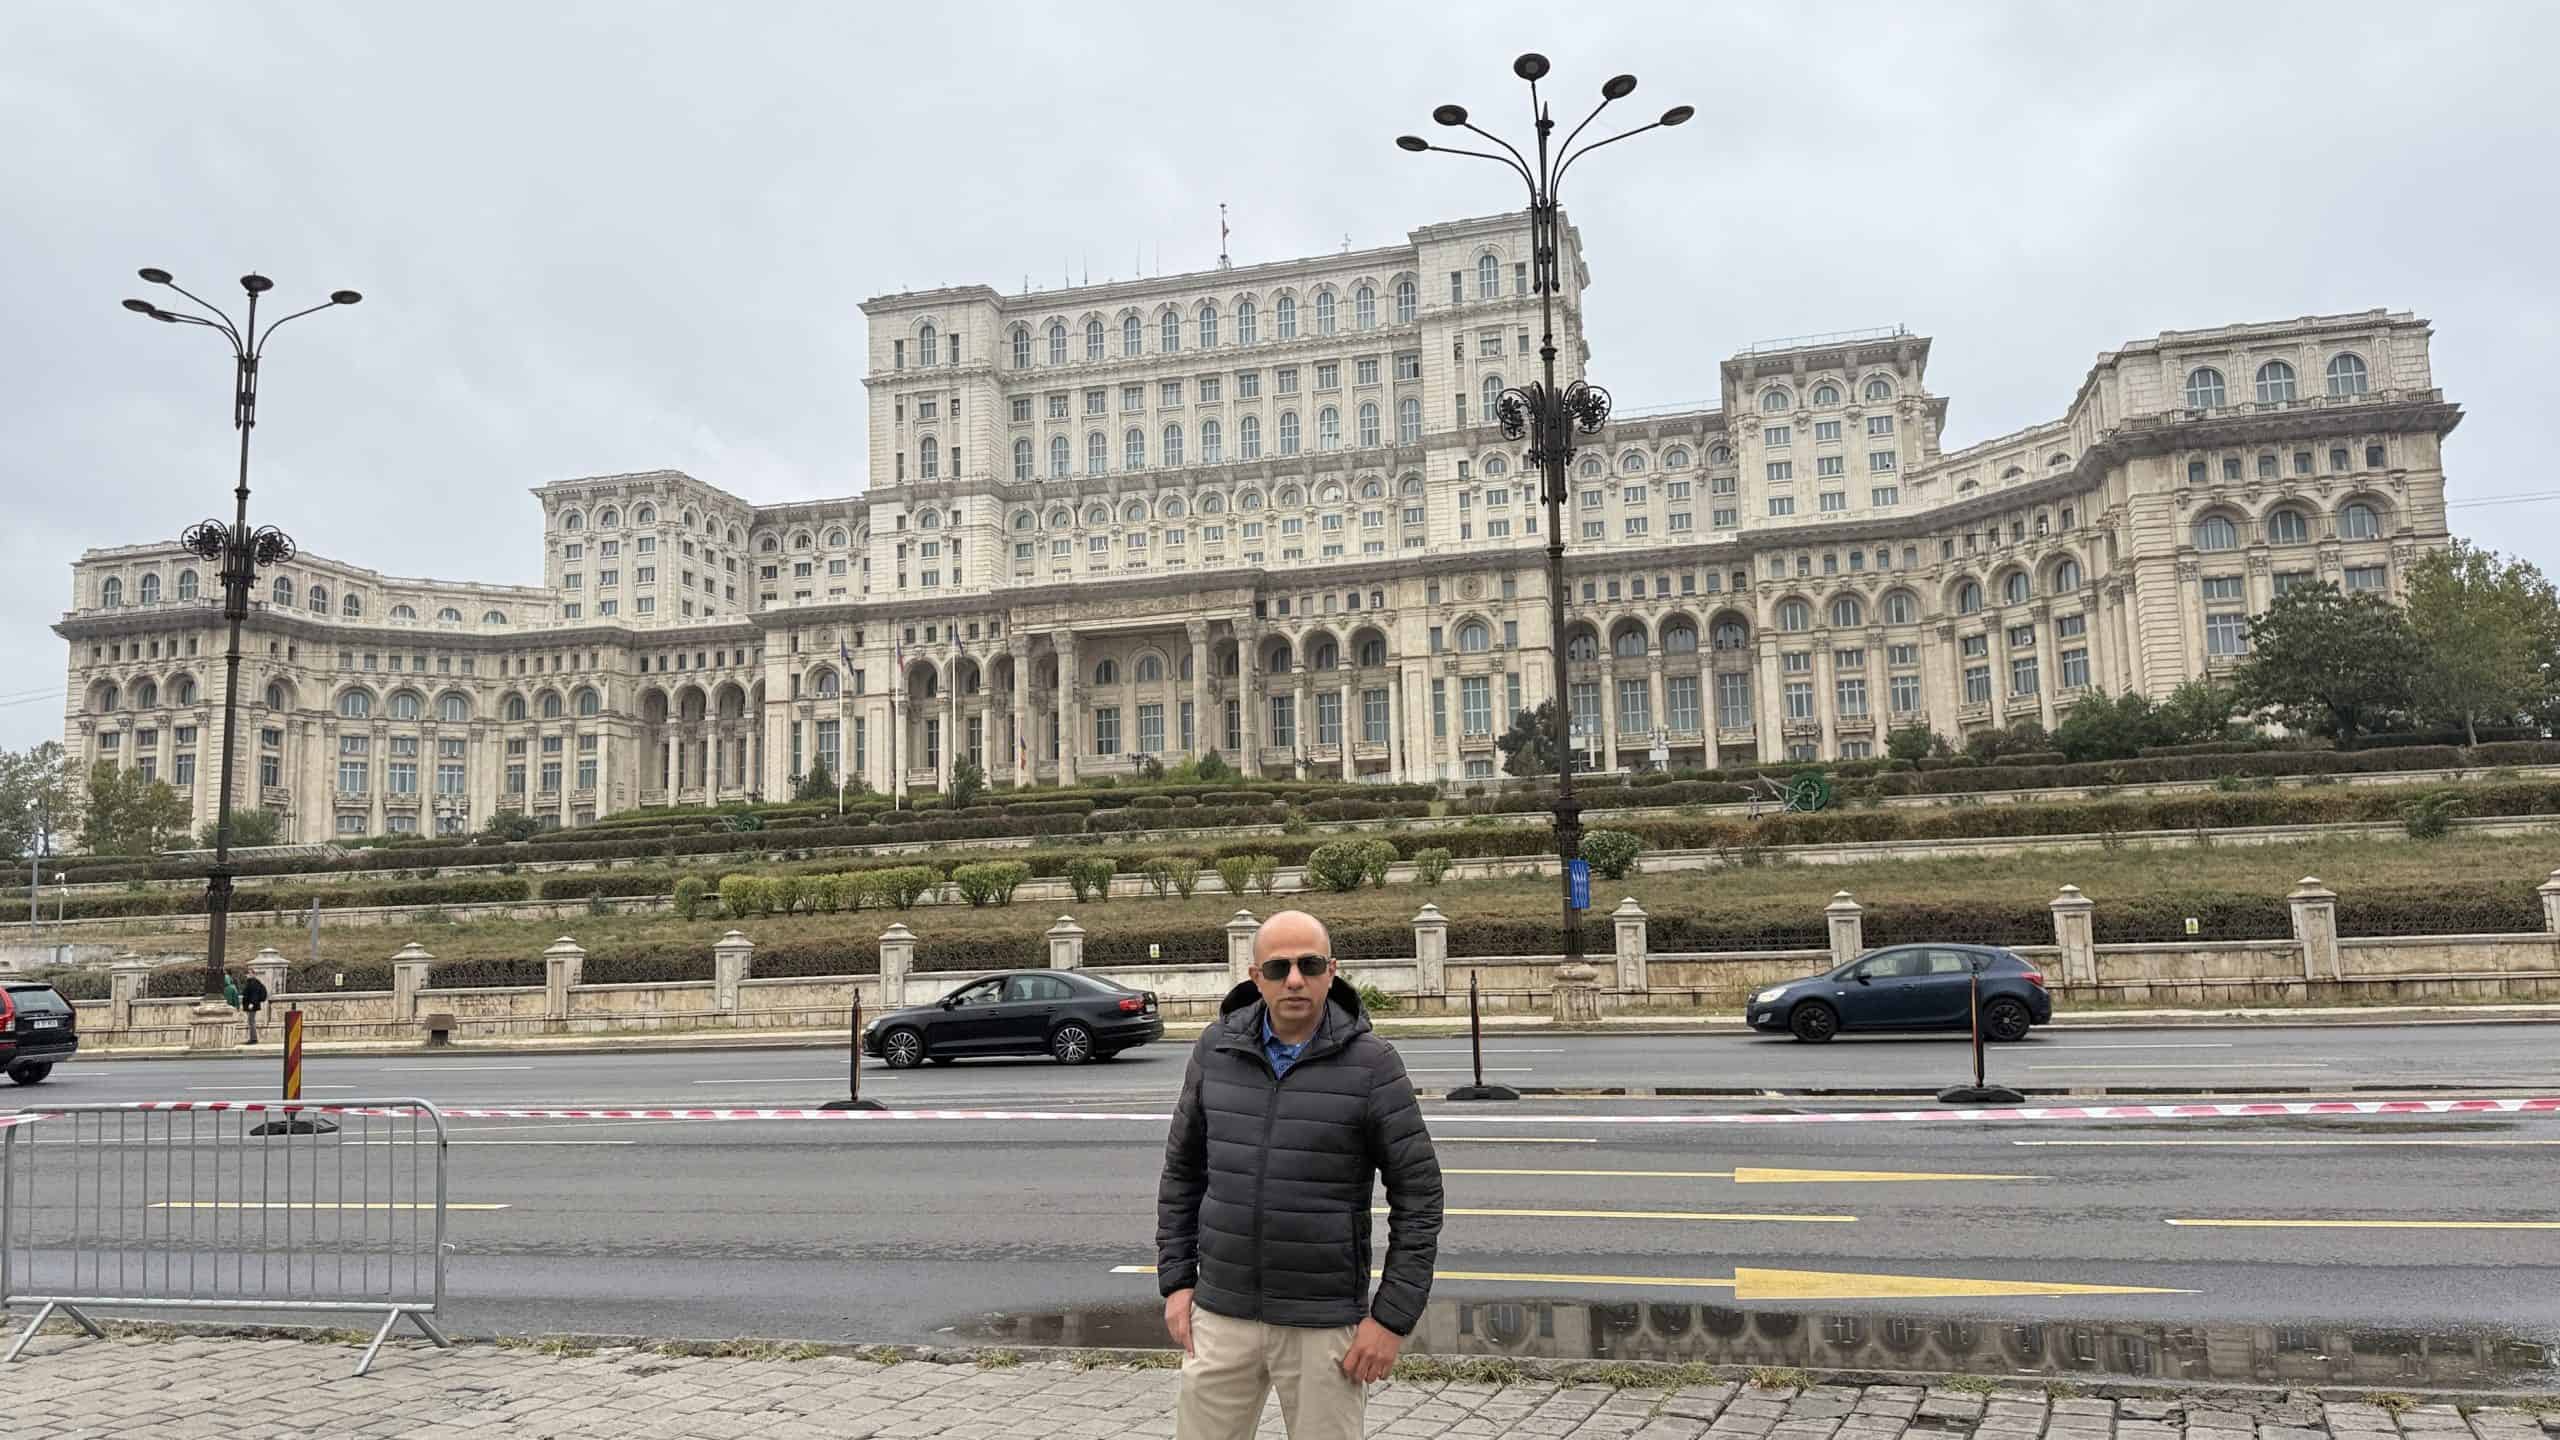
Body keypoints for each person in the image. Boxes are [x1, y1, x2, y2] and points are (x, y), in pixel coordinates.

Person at [1156, 909, 1443, 1439]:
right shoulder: (1215, 1050)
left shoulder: (1373, 1064)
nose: (1294, 979)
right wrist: (1176, 1282)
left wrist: (1391, 1319)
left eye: (1309, 965)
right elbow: (1182, 1173)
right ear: (1255, 976)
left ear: (1331, 971)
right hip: (1221, 1314)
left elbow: (1420, 1196)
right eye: (1278, 967)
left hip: (1322, 1323)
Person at [239, 972, 269, 1045]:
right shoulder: (252, 982)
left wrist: (252, 1003)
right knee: (251, 1021)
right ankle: (253, 1038)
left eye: (248, 974)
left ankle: (253, 1039)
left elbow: (254, 994)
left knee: (251, 1022)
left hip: (252, 1005)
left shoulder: (253, 983)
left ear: (252, 974)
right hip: (252, 1005)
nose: (246, 975)